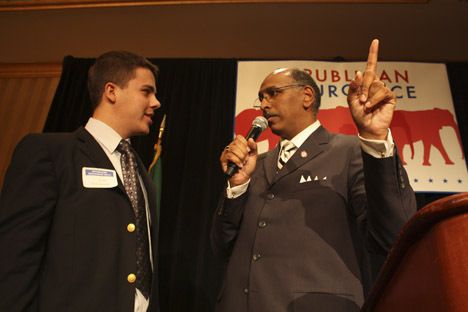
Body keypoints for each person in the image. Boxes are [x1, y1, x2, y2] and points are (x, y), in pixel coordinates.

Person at [211, 39, 417, 312]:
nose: (263, 104)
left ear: (307, 96)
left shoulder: (349, 151)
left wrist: (376, 139)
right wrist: (236, 186)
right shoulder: (254, 165)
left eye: (273, 93)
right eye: (261, 97)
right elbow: (222, 247)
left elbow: (391, 235)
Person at [0, 51, 161, 311]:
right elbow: (15, 257)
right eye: (146, 91)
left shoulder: (141, 171)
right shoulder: (50, 153)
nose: (156, 102)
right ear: (111, 91)